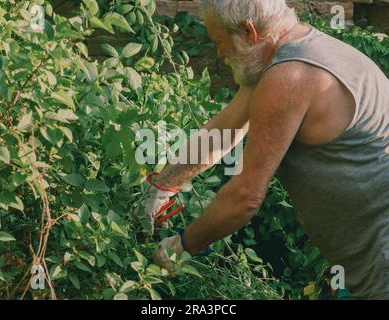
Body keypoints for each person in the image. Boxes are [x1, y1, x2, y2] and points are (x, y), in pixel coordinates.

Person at [139, 0, 389, 299]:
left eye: (220, 42)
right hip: (364, 257)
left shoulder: (291, 75)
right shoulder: (300, 52)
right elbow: (223, 130)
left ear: (249, 31)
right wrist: (162, 186)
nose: (220, 54)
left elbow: (245, 198)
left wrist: (180, 246)